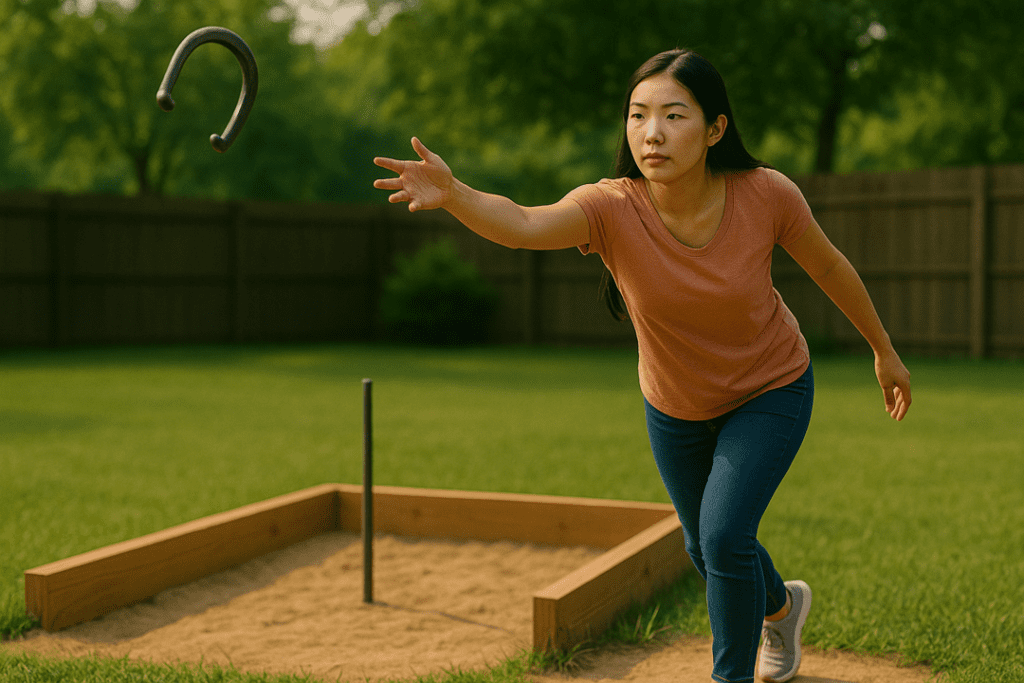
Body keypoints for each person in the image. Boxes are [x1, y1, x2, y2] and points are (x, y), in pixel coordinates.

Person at [373, 48, 911, 683]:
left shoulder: (765, 194)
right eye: (638, 115)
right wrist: (455, 193)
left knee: (724, 536)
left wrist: (884, 349)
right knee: (704, 544)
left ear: (716, 129)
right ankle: (783, 608)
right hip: (676, 406)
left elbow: (828, 266)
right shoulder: (610, 207)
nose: (651, 132)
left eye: (673, 115)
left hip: (772, 386)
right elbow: (521, 224)